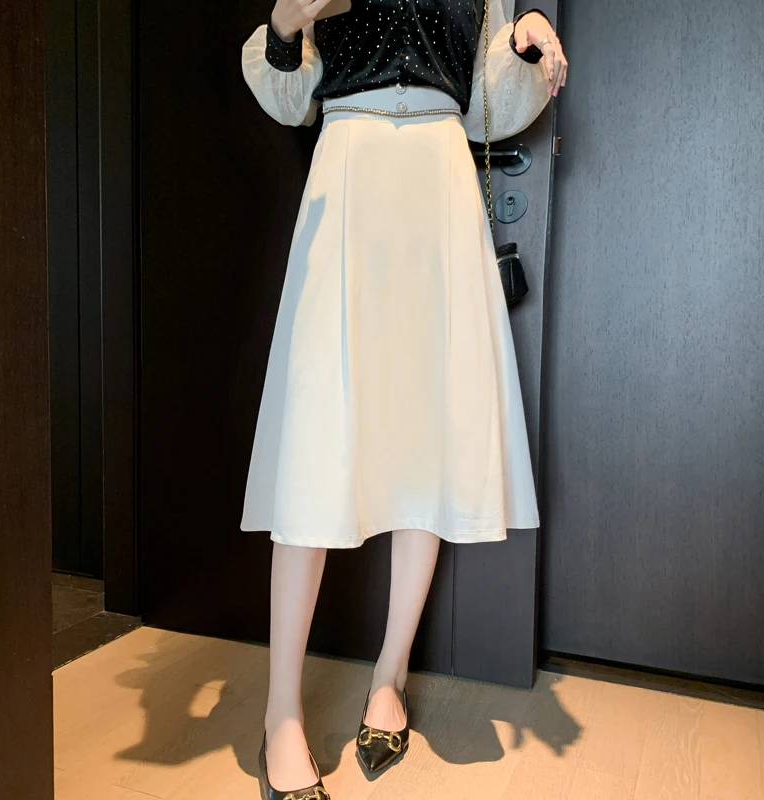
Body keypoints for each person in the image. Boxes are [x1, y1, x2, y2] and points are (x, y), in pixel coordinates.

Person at [240, 0, 567, 796]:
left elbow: (491, 102)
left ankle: (389, 675)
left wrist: (524, 37)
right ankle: (281, 713)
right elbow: (288, 96)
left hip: (438, 171)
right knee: (318, 433)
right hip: (347, 164)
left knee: (428, 430)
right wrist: (283, 27)